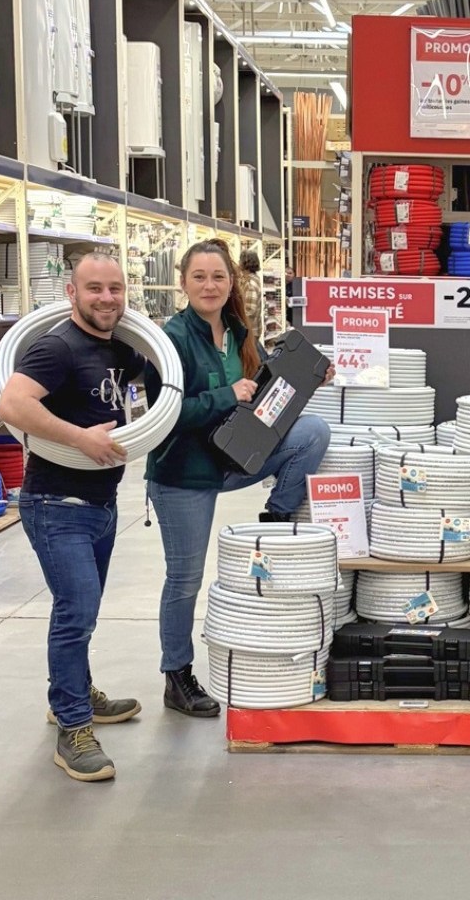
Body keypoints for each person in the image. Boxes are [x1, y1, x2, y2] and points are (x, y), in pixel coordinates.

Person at [144, 240, 333, 718]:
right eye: (199, 277)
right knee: (185, 579)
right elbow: (166, 414)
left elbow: (264, 392)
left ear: (231, 282)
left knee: (312, 432)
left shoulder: (237, 330)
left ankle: (277, 518)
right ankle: (176, 675)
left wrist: (307, 378)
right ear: (183, 282)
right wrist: (226, 395)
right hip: (184, 473)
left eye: (218, 276)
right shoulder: (171, 340)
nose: (209, 285)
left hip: (230, 458)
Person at [0, 253, 144, 783]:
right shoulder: (56, 347)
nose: (106, 298)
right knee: (75, 612)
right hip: (55, 504)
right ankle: (73, 727)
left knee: (84, 611)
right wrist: (79, 438)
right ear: (71, 293)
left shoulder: (121, 350)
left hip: (102, 504)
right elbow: (12, 405)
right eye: (94, 288)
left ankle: (74, 691)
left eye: (115, 288)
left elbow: (166, 388)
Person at [239, 248, 263, 340]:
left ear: (244, 262)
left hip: (249, 331)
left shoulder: (250, 283)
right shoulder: (253, 279)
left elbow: (250, 310)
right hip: (252, 329)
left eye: (240, 260)